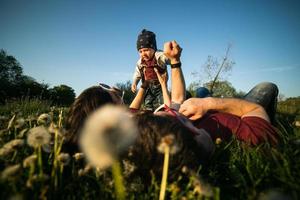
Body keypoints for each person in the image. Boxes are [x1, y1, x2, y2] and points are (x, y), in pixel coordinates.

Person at [131, 29, 171, 111]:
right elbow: (137, 73)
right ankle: (148, 113)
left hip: (160, 85)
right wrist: (135, 82)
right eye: (140, 51)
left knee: (162, 102)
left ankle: (162, 113)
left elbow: (167, 58)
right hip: (148, 86)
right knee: (148, 102)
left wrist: (170, 56)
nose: (143, 54)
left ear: (154, 48)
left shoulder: (158, 55)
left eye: (146, 50)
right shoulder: (140, 62)